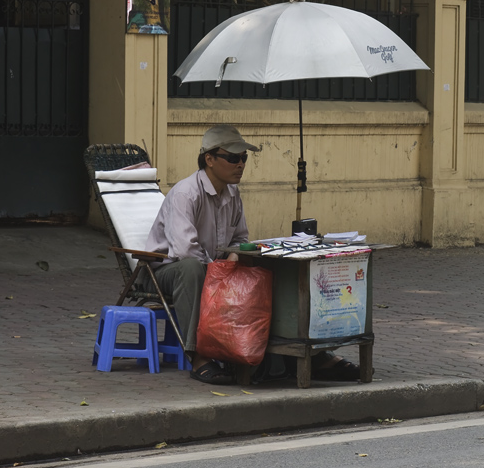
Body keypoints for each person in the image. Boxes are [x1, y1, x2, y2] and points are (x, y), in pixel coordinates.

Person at [145, 124, 360, 384]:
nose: (241, 165)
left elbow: (240, 239)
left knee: (268, 269)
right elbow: (183, 250)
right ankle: (199, 356)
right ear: (209, 159)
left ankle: (307, 353)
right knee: (191, 268)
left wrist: (239, 256)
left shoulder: (233, 193)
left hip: (212, 268)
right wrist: (222, 270)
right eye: (233, 158)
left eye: (244, 158)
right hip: (164, 271)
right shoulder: (186, 193)